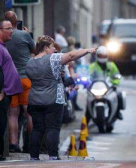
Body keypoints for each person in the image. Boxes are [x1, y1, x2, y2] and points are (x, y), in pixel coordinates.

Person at [26, 35, 96, 160]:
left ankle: (34, 156)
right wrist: (86, 50)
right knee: (53, 128)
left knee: (37, 129)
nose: (54, 50)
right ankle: (53, 155)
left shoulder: (30, 62)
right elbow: (70, 56)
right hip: (53, 99)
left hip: (34, 100)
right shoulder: (52, 59)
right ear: (46, 47)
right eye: (52, 47)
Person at [4, 11, 35, 153]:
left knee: (12, 114)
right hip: (25, 77)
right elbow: (34, 50)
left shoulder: (4, 37)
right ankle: (30, 143)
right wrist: (27, 34)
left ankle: (13, 144)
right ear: (17, 22)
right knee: (29, 112)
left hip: (10, 79)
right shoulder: (24, 35)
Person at [0, 19, 23, 160]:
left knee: (3, 121)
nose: (12, 31)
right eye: (8, 28)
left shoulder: (3, 46)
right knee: (1, 122)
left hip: (7, 92)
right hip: (3, 93)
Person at [88, 46, 123, 119]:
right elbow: (88, 76)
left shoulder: (112, 65)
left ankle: (117, 112)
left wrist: (115, 83)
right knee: (87, 99)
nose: (102, 58)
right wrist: (87, 83)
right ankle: (87, 116)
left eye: (104, 56)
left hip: (109, 87)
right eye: (100, 56)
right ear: (97, 56)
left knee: (119, 95)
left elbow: (117, 75)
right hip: (96, 86)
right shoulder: (92, 66)